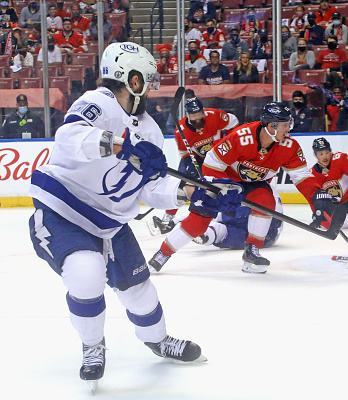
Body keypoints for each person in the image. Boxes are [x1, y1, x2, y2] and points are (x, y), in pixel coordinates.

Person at [27, 42, 244, 388]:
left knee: (139, 290)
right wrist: (119, 145)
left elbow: (148, 189)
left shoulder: (151, 131)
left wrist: (191, 193)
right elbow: (69, 136)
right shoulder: (99, 101)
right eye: (147, 78)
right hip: (64, 210)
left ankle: (158, 340)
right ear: (129, 78)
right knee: (86, 272)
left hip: (109, 223)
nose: (151, 85)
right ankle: (92, 345)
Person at [148, 102, 334, 274]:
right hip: (224, 179)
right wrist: (221, 186)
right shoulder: (241, 137)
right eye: (285, 125)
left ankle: (251, 252)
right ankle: (163, 253)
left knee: (265, 202)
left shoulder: (289, 146)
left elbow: (302, 177)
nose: (289, 129)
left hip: (253, 184)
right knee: (198, 221)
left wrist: (317, 199)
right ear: (271, 127)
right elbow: (212, 161)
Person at [148, 95, 239, 235]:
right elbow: (185, 154)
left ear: (203, 111)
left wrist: (229, 143)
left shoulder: (215, 116)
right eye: (193, 115)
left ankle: (222, 215)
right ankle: (168, 218)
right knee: (182, 183)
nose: (197, 118)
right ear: (188, 115)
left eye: (199, 114)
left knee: (219, 187)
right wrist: (191, 167)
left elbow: (234, 122)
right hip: (196, 158)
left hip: (217, 157)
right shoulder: (181, 131)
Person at [194, 190, 283, 250]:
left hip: (267, 232)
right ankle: (207, 232)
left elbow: (273, 219)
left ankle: (206, 231)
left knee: (224, 229)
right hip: (253, 233)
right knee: (225, 232)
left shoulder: (263, 189)